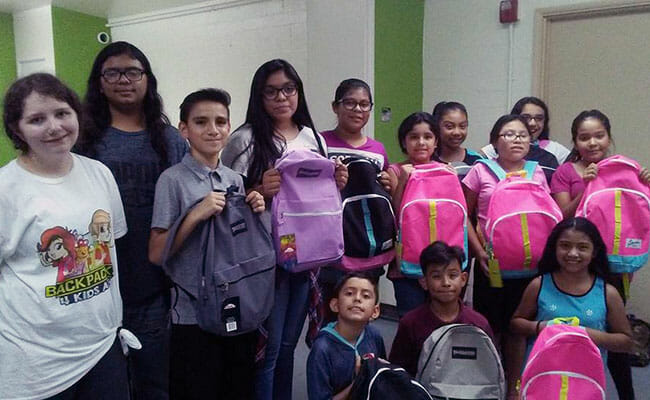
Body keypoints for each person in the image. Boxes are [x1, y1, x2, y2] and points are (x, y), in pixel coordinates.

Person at [220, 59, 348, 400]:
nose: (281, 97)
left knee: (290, 344)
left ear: (298, 93)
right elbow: (227, 198)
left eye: (288, 89)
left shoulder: (313, 138)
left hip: (308, 253)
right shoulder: (245, 139)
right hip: (266, 256)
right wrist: (260, 190)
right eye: (271, 91)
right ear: (259, 96)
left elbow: (321, 197)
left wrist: (338, 181)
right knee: (270, 348)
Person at [0, 73, 128, 399]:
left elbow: (112, 246)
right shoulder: (6, 189)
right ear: (17, 129)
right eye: (37, 119)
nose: (54, 127)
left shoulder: (99, 173)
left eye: (62, 113)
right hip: (36, 364)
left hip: (102, 348)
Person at [76, 41, 187, 399]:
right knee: (103, 386)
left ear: (146, 79)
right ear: (100, 81)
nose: (124, 79)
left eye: (133, 71)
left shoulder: (169, 140)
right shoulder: (82, 139)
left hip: (151, 284)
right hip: (93, 284)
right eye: (113, 72)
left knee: (154, 381)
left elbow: (190, 200)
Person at [148, 88, 265, 399]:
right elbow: (157, 253)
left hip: (235, 305)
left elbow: (240, 246)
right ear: (184, 129)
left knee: (237, 387)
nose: (213, 130)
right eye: (201, 122)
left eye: (221, 122)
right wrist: (194, 215)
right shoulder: (171, 181)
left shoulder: (234, 179)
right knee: (197, 389)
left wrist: (255, 210)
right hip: (192, 313)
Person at [550, 110, 650, 400]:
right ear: (574, 141)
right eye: (584, 137)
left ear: (609, 137)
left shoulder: (627, 170)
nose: (592, 143)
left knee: (617, 334)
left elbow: (639, 216)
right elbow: (561, 218)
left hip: (617, 264)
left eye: (599, 136)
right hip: (576, 264)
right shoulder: (566, 173)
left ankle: (627, 395)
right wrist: (587, 187)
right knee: (578, 332)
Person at [462, 114, 549, 391]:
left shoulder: (538, 171)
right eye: (509, 134)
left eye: (523, 135)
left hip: (531, 269)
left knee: (518, 330)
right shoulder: (480, 170)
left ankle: (513, 389)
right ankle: (486, 386)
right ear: (495, 140)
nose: (517, 139)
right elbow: (464, 214)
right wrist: (479, 252)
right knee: (490, 328)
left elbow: (547, 216)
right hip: (492, 265)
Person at [510, 217, 633, 398]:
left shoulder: (608, 293)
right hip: (542, 378)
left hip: (585, 381)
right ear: (555, 248)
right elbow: (516, 325)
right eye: (565, 246)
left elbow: (625, 342)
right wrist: (544, 327)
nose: (572, 253)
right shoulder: (539, 284)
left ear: (594, 252)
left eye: (582, 247)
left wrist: (581, 333)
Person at [320, 78, 393, 321]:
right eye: (350, 103)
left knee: (363, 318)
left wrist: (390, 184)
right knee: (329, 319)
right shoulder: (320, 142)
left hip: (368, 246)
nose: (358, 110)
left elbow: (384, 193)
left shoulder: (378, 149)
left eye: (364, 104)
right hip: (331, 248)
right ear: (335, 106)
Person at [385, 112, 454, 317]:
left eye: (428, 137)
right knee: (410, 319)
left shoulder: (446, 171)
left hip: (441, 260)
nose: (421, 142)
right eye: (414, 137)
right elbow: (396, 214)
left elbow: (454, 215)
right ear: (404, 142)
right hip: (406, 263)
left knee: (443, 318)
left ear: (436, 142)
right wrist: (405, 180)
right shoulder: (396, 171)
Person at [389, 241, 492, 377]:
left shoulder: (478, 324)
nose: (446, 283)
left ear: (463, 279)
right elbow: (398, 372)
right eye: (436, 276)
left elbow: (488, 372)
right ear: (424, 282)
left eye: (452, 275)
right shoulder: (410, 324)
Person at [307, 272, 386, 400]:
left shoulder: (374, 336)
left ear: (375, 311)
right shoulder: (322, 348)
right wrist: (359, 382)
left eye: (366, 296)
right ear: (335, 305)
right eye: (349, 293)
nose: (357, 299)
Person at [481, 97, 569, 184]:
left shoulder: (555, 150)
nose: (532, 123)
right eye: (526, 117)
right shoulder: (496, 147)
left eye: (539, 118)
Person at [431, 101, 483, 180]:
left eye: (462, 126)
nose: (457, 132)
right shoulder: (428, 159)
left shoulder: (476, 160)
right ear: (437, 126)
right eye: (449, 127)